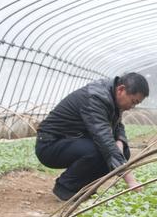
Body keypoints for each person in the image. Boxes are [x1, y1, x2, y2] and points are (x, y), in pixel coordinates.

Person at [35, 72, 149, 201]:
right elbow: (103, 139)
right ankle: (65, 188)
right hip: (50, 145)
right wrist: (130, 181)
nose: (132, 107)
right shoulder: (95, 98)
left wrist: (120, 142)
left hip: (69, 141)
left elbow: (117, 125)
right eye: (133, 102)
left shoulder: (112, 97)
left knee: (123, 152)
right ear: (121, 89)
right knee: (98, 151)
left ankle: (84, 188)